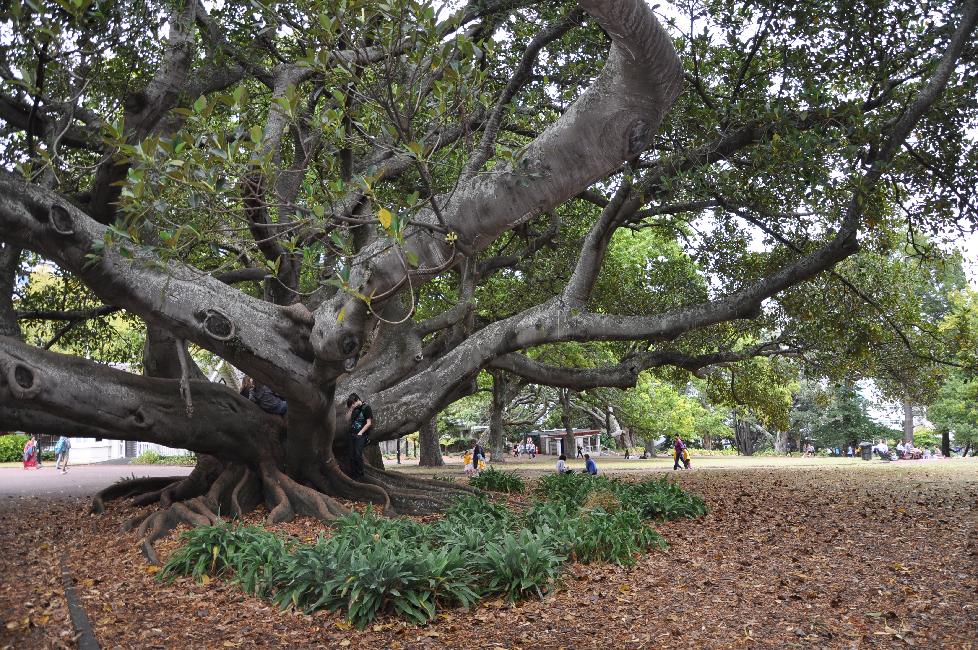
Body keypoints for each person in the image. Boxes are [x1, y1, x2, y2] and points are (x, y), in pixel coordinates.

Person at [346, 393, 372, 479]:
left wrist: (360, 432)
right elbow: (347, 419)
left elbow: (369, 423)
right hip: (351, 434)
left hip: (361, 435)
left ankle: (360, 474)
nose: (353, 405)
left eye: (353, 403)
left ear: (357, 400)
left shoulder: (366, 407)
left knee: (357, 454)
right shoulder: (353, 408)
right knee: (351, 455)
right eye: (351, 404)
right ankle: (353, 475)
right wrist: (351, 409)